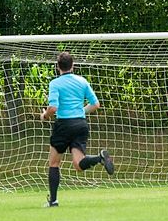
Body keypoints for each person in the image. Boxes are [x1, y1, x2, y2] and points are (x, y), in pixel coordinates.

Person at [40, 51, 114, 207]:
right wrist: (81, 111)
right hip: (80, 124)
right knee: (78, 165)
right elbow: (96, 104)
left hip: (63, 125)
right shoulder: (82, 81)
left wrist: (45, 115)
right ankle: (99, 158)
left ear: (58, 67)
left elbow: (53, 108)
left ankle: (53, 201)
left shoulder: (55, 83)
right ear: (72, 65)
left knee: (54, 163)